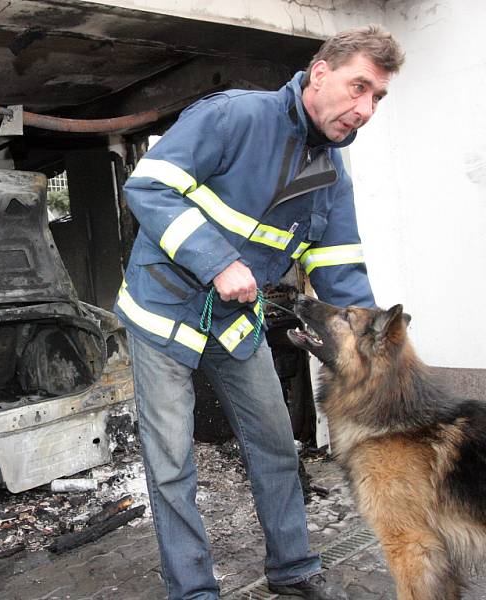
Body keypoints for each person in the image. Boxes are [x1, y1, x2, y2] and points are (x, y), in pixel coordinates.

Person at [113, 25, 404, 600]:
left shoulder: (331, 175)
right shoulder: (235, 117)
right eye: (360, 87)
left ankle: (293, 571)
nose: (366, 109)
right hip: (162, 311)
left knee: (274, 445)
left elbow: (340, 268)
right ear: (320, 73)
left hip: (235, 321)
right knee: (171, 461)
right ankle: (193, 590)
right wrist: (217, 260)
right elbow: (148, 187)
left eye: (378, 97)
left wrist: (372, 352)